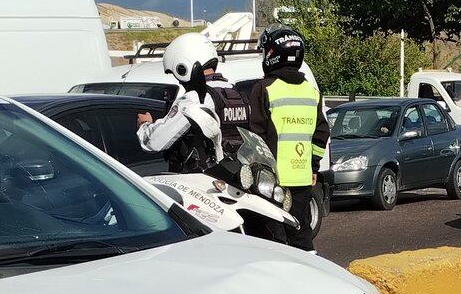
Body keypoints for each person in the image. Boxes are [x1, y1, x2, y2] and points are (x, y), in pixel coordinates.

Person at [236, 26, 330, 249]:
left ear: (271, 55)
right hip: (302, 178)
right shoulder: (311, 92)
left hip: (271, 180)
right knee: (300, 231)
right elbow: (321, 133)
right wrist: (313, 167)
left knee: (274, 238)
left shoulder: (264, 89)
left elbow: (254, 136)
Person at [135, 32, 249, 178]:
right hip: (232, 179)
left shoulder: (195, 98)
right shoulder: (237, 95)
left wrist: (145, 125)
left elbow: (154, 142)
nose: (179, 81)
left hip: (200, 183)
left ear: (183, 67)